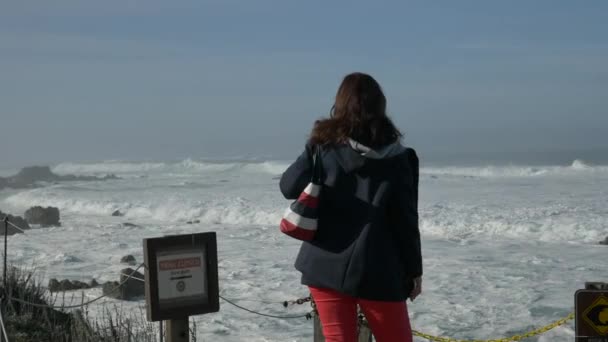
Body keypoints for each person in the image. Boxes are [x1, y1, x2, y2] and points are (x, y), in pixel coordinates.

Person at [279, 72, 422, 342]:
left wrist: (314, 149)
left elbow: (288, 186)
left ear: (340, 106)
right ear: (381, 107)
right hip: (380, 270)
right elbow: (405, 221)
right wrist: (414, 271)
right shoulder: (401, 158)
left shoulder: (322, 147)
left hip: (324, 265)